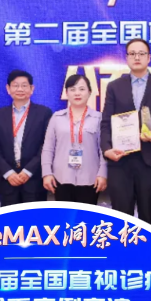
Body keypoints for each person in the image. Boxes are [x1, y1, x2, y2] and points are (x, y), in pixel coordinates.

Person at [100, 39, 151, 226]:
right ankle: (123, 247)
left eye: (141, 53)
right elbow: (106, 122)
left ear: (149, 58)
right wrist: (107, 149)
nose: (137, 57)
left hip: (149, 161)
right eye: (132, 53)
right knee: (121, 218)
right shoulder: (114, 86)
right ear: (126, 58)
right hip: (120, 160)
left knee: (148, 217)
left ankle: (147, 247)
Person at [0, 70, 53, 206]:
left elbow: (47, 145)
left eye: (24, 85)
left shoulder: (43, 113)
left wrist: (28, 171)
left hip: (34, 180)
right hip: (7, 181)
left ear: (32, 89)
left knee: (34, 218)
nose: (20, 89)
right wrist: (8, 172)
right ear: (8, 89)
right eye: (15, 85)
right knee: (10, 219)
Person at [42, 74, 107, 204]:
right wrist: (47, 173)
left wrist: (103, 174)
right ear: (66, 93)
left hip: (90, 179)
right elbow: (48, 148)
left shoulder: (99, 118)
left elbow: (103, 149)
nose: (77, 93)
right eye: (72, 89)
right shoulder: (56, 117)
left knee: (86, 216)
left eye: (82, 89)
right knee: (65, 216)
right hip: (61, 177)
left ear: (89, 92)